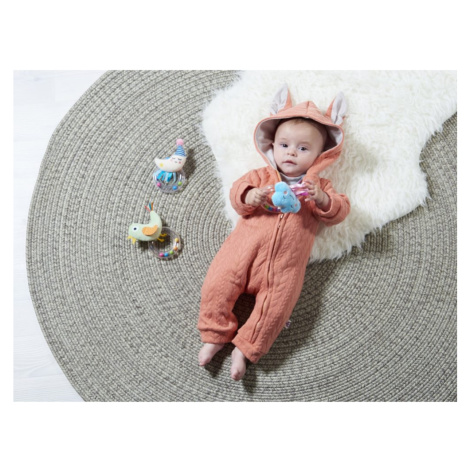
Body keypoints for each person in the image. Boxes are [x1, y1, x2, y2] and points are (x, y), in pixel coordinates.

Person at [197, 85, 350, 380]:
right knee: (217, 284)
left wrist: (321, 199)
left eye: (303, 148)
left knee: (276, 310)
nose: (291, 152)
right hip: (240, 253)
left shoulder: (318, 187)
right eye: (284, 145)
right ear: (272, 146)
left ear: (320, 156)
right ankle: (214, 334)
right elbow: (237, 194)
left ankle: (245, 349)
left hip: (285, 267)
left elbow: (340, 211)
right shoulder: (260, 176)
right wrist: (250, 195)